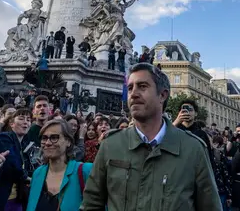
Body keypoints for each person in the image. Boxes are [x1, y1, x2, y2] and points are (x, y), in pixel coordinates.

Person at [80, 62, 221, 210]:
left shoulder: (193, 149)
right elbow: (91, 203)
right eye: (130, 88)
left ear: (162, 95)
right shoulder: (111, 145)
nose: (133, 94)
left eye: (142, 86)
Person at [26, 119, 93, 211]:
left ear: (68, 142)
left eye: (54, 137)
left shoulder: (85, 171)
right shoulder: (38, 174)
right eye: (44, 138)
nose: (48, 143)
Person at [0, 109, 32, 211]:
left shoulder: (25, 143)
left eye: (28, 120)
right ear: (12, 124)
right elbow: (13, 164)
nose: (26, 122)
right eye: (21, 119)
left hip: (17, 197)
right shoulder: (5, 137)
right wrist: (29, 178)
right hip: (5, 198)